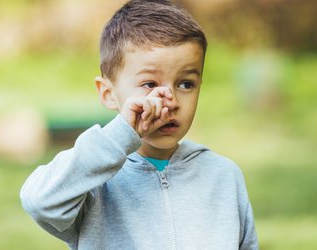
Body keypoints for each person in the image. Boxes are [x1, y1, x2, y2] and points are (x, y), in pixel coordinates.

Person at [20, 0, 258, 249]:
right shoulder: (91, 182)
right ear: (108, 93)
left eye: (185, 84)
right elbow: (39, 201)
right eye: (150, 85)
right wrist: (120, 135)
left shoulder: (223, 176)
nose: (171, 101)